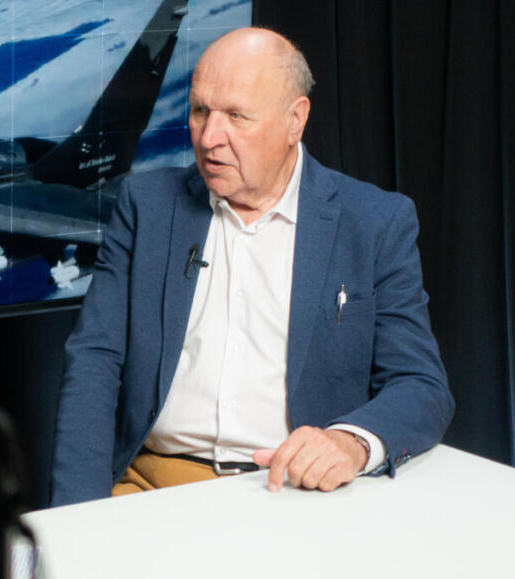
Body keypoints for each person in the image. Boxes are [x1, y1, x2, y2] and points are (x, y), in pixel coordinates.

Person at [50, 27, 454, 507]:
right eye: (200, 111)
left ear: (294, 121)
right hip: (151, 483)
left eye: (236, 116)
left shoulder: (373, 222)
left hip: (297, 493)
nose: (209, 138)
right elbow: (95, 360)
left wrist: (350, 443)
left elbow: (421, 385)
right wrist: (75, 516)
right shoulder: (147, 205)